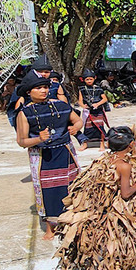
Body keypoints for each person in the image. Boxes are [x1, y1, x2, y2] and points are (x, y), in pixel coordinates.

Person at [54, 126, 136, 270]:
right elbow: (126, 193)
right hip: (111, 213)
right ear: (131, 145)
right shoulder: (124, 165)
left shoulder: (103, 159)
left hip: (94, 210)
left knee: (101, 249)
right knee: (113, 247)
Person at [15, 74, 85, 240]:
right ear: (28, 92)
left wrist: (75, 128)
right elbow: (21, 141)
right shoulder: (24, 114)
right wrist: (39, 139)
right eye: (39, 88)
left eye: (45, 87)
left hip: (64, 152)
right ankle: (50, 228)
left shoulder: (61, 106)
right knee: (48, 191)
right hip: (42, 157)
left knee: (70, 187)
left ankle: (72, 222)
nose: (44, 91)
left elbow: (78, 120)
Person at [78, 69, 110, 150]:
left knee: (99, 127)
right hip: (88, 111)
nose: (89, 81)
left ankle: (102, 144)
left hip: (98, 111)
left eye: (91, 79)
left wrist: (97, 104)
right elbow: (80, 100)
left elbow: (104, 99)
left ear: (94, 78)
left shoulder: (98, 89)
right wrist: (83, 106)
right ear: (84, 80)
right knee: (87, 128)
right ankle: (85, 144)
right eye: (87, 79)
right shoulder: (82, 89)